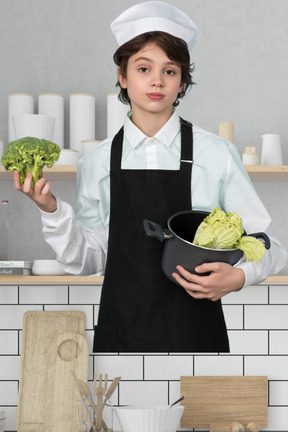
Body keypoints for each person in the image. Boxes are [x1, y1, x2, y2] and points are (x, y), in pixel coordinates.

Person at [14, 1, 287, 353]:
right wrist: (51, 210)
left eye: (170, 71)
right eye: (144, 68)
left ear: (182, 81)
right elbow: (89, 260)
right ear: (123, 76)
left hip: (197, 337)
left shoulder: (216, 154)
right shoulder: (97, 162)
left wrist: (239, 277)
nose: (157, 80)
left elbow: (269, 244)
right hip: (120, 338)